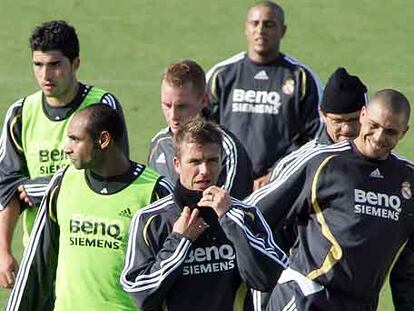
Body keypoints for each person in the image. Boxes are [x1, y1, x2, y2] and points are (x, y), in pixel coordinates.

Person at [245, 89, 414, 310]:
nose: (379, 137)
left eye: (390, 131)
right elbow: (252, 212)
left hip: (360, 305)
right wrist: (270, 274)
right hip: (308, 299)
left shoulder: (408, 177)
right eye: (374, 125)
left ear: (404, 132)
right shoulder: (322, 162)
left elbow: (409, 268)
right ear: (363, 115)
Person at [0, 20, 129, 289]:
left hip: (91, 249)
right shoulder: (21, 114)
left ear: (76, 63)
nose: (45, 74)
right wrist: (3, 251)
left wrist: (47, 187)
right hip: (39, 251)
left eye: (55, 64)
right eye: (38, 64)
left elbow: (115, 176)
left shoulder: (102, 106)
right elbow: (9, 190)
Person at [6, 104, 173, 310]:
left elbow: (173, 273)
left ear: (103, 140)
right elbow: (38, 261)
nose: (67, 148)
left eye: (75, 139)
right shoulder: (63, 181)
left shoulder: (155, 190)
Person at [121, 118, 288, 311]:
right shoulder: (151, 219)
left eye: (212, 160)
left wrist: (229, 219)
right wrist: (179, 242)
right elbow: (142, 296)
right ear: (176, 164)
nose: (204, 171)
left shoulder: (244, 214)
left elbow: (266, 279)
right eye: (195, 161)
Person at [206, 1, 323, 190]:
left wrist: (277, 172)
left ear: (283, 31)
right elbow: (202, 128)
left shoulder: (301, 77)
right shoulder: (221, 75)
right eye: (255, 23)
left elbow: (314, 135)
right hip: (226, 180)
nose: (261, 30)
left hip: (279, 184)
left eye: (269, 24)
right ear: (246, 28)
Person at [148, 59, 254, 199]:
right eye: (167, 105)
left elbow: (234, 210)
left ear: (203, 100)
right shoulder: (158, 144)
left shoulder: (226, 148)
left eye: (182, 106)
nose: (173, 116)